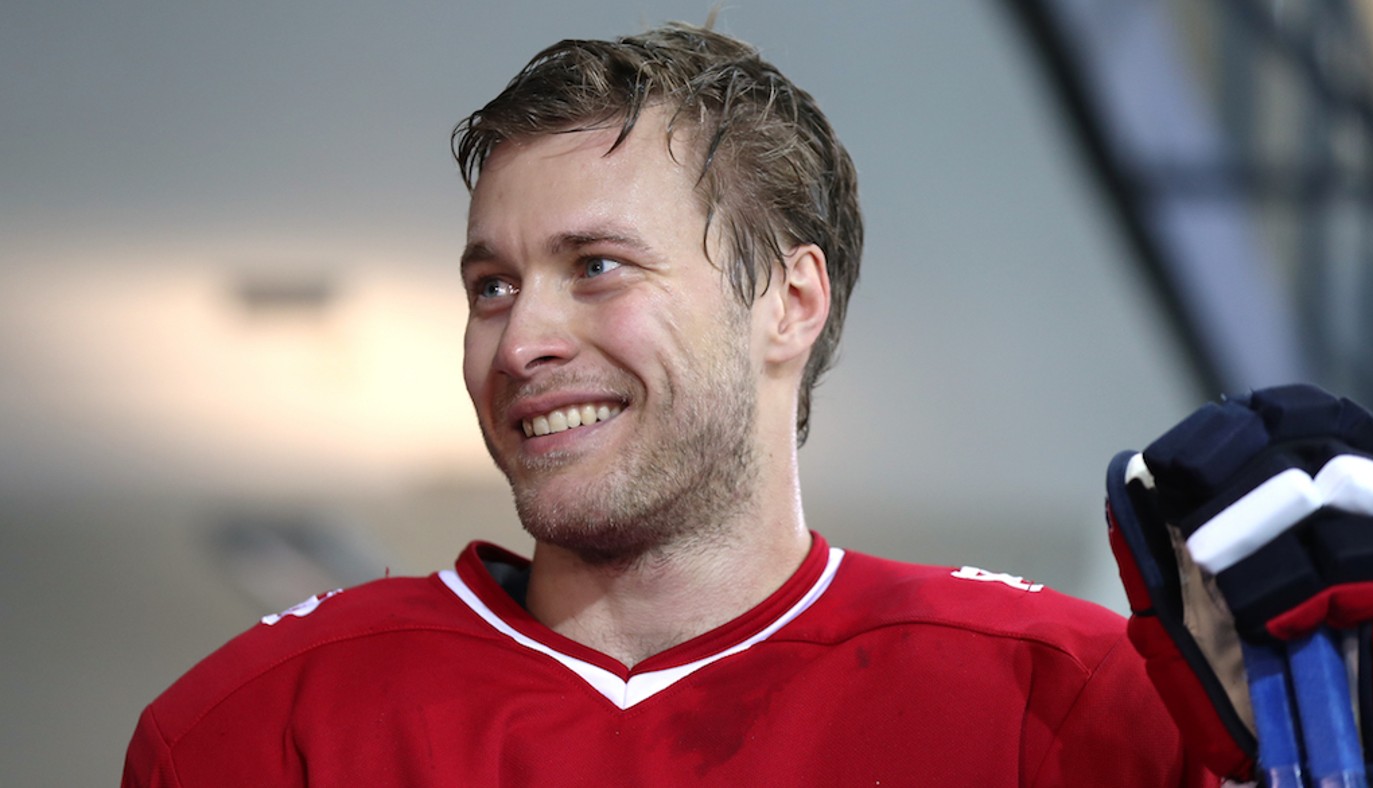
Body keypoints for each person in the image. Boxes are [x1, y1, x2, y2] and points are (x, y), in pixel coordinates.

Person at [123, 23, 1215, 785]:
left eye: (596, 266)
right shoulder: (259, 728)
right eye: (491, 285)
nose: (522, 340)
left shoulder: (1066, 701)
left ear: (788, 301)